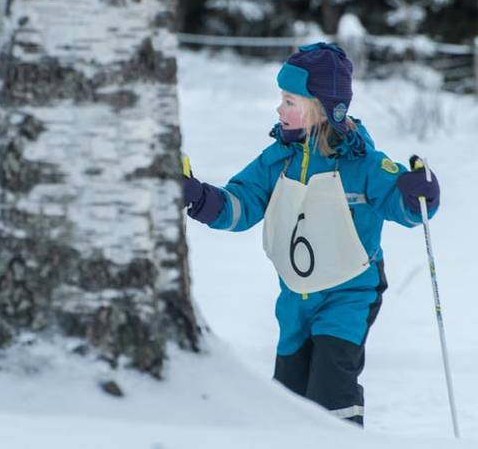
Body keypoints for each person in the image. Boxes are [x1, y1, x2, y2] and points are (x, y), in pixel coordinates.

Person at [183, 43, 440, 426]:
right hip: (295, 299)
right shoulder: (277, 160)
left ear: (323, 107)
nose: (279, 109)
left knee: (331, 393)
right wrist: (199, 198)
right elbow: (241, 205)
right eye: (281, 100)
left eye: (290, 101)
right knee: (288, 398)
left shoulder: (363, 164)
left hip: (349, 294)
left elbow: (401, 204)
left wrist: (419, 193)